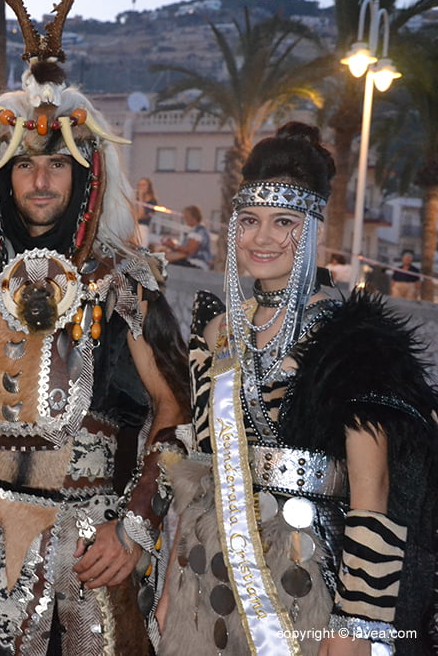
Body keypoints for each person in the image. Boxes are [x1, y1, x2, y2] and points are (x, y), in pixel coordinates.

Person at [0, 0, 191, 653]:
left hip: (93, 558)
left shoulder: (128, 287)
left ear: (85, 174)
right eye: (25, 165)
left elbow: (175, 413)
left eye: (57, 165)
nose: (40, 181)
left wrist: (135, 526)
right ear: (1, 176)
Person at [156, 122, 438, 654]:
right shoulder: (218, 335)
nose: (262, 238)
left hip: (306, 581)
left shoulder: (353, 339)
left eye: (283, 221)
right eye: (250, 221)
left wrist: (356, 626)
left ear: (313, 227)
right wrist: (173, 586)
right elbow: (205, 474)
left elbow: (373, 493)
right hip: (205, 577)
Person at [162, 205, 212, 269]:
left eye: (186, 217)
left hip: (196, 263)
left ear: (193, 217)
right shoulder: (196, 231)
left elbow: (190, 251)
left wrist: (174, 246)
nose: (185, 219)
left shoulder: (198, 231)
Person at [135, 177, 157, 249]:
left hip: (142, 227)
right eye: (139, 185)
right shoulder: (134, 200)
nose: (141, 187)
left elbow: (141, 216)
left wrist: (141, 198)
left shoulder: (152, 202)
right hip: (131, 227)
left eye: (143, 185)